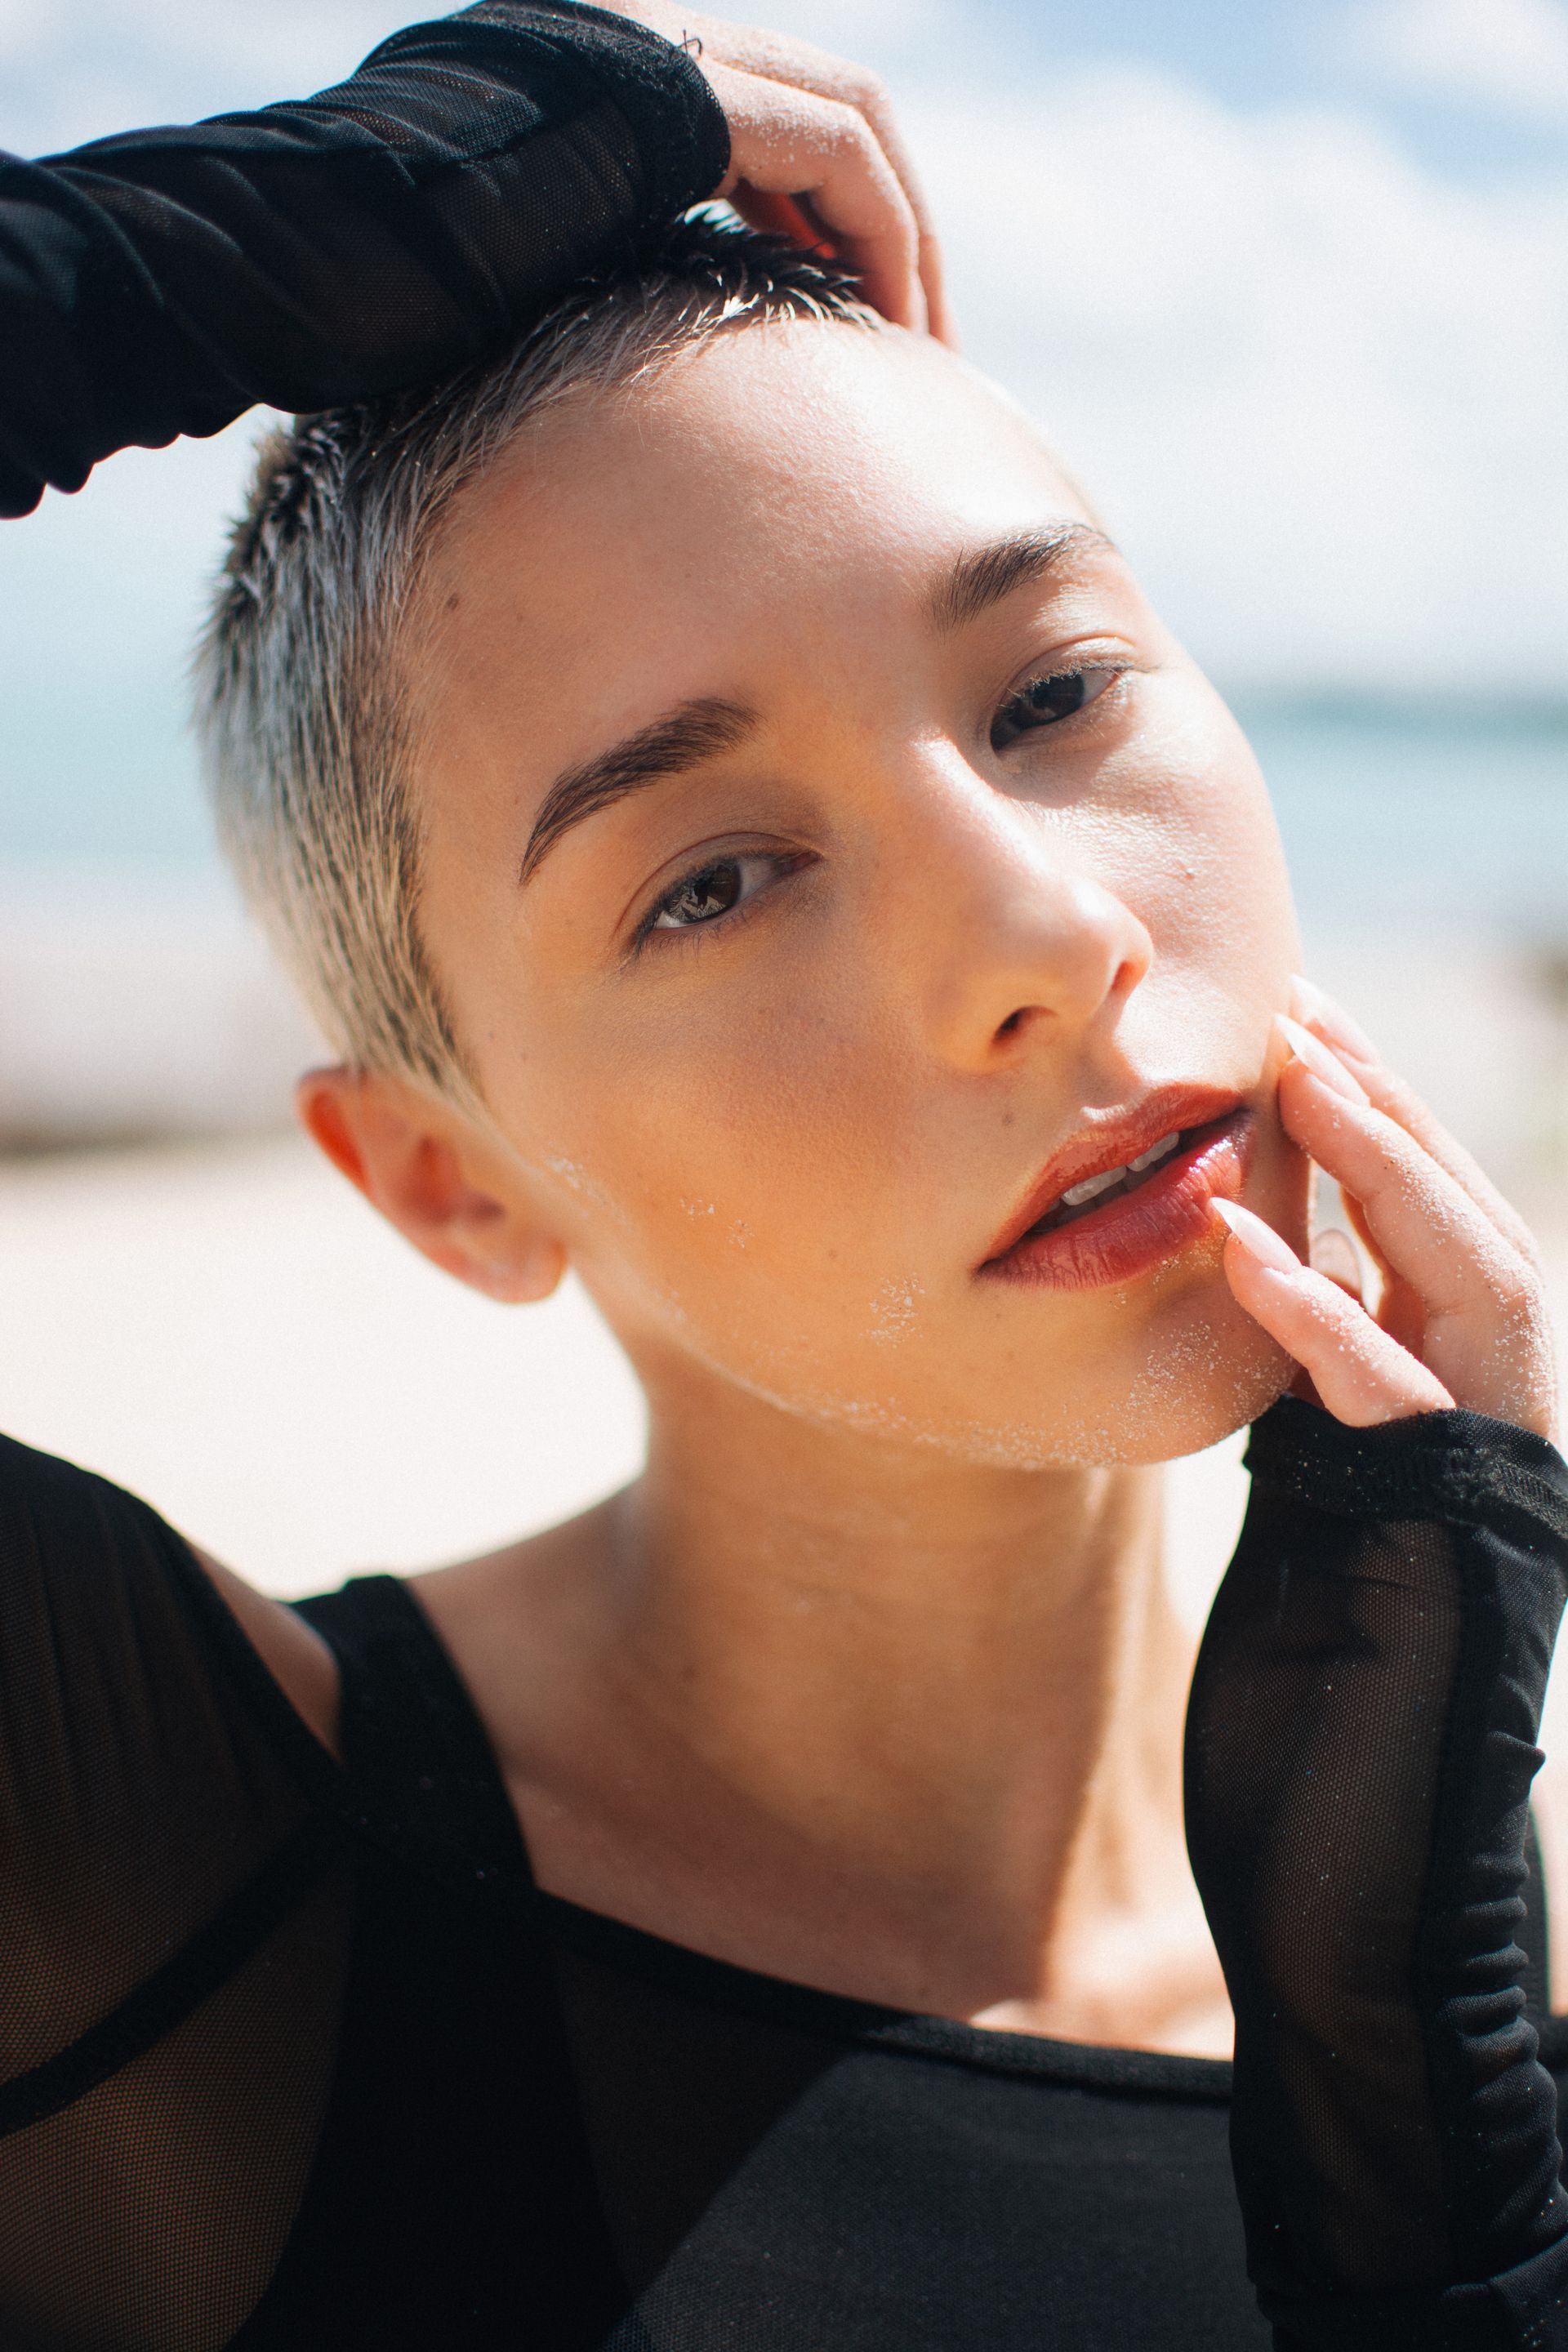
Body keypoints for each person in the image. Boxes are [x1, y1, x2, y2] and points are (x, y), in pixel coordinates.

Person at [2, 18, 1566, 2352]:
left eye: (1052, 697)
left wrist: (1437, 2168)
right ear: (447, 1186)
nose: (1049, 938)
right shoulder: (148, 1876)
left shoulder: (1450, 1976)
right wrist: (198, 247)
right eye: (715, 880)